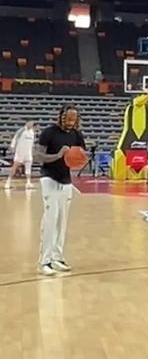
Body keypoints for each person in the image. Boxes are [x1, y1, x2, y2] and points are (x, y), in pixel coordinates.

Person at [36, 104, 85, 277]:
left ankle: (57, 257)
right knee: (50, 219)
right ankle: (44, 261)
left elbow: (82, 155)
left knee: (62, 221)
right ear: (61, 116)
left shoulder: (77, 135)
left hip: (66, 181)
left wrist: (78, 158)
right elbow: (38, 156)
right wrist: (58, 155)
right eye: (68, 118)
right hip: (49, 178)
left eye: (74, 119)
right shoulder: (49, 132)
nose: (70, 122)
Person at [5, 121, 37, 190]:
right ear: (27, 123)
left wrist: (33, 151)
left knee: (28, 168)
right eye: (30, 123)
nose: (31, 125)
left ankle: (28, 183)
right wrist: (12, 147)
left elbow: (32, 143)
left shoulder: (32, 132)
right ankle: (8, 182)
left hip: (28, 153)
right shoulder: (21, 130)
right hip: (20, 152)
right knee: (15, 166)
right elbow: (15, 138)